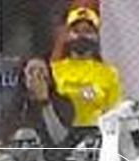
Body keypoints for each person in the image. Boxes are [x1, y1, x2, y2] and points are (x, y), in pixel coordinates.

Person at [50, 7, 122, 135]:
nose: (81, 36)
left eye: (88, 31)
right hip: (60, 134)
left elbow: (115, 112)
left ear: (97, 37)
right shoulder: (54, 70)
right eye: (76, 31)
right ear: (67, 36)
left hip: (95, 134)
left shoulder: (109, 73)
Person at [0, 56, 69, 161]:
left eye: (41, 72)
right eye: (31, 72)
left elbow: (59, 138)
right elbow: (3, 140)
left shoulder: (63, 103)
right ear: (24, 78)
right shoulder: (13, 106)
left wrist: (45, 103)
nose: (36, 77)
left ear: (49, 78)